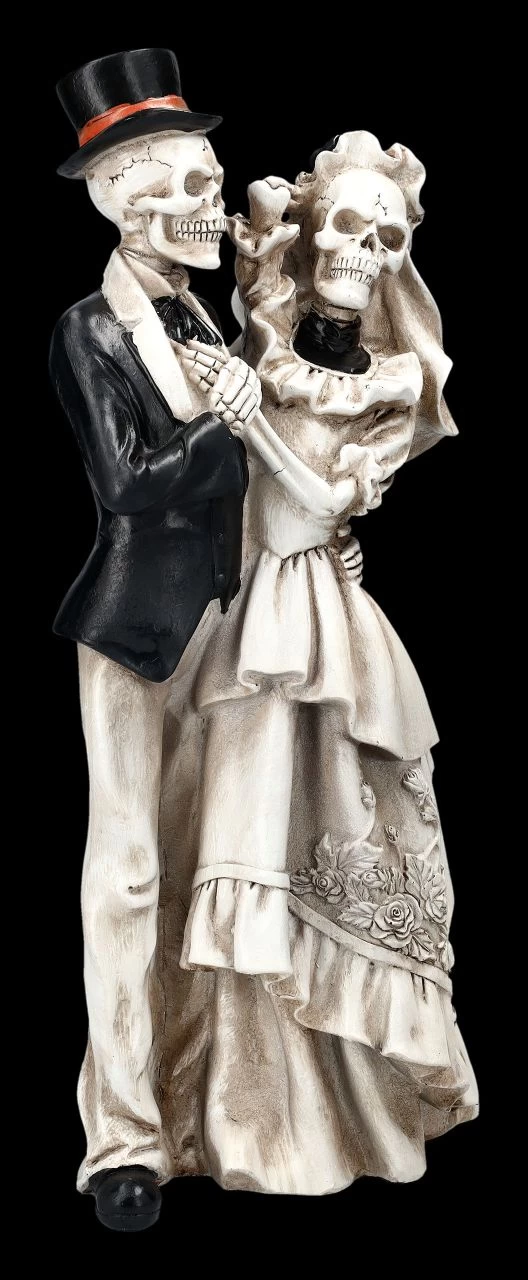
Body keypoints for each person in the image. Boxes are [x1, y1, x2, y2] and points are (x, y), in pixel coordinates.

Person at [151, 131, 478, 1195]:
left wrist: (255, 425)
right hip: (241, 618)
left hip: (316, 629)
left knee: (321, 843)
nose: (362, 251)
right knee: (233, 841)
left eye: (387, 238)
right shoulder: (255, 332)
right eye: (348, 224)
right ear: (311, 231)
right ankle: (236, 1113)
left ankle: (339, 1112)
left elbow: (321, 504)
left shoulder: (387, 384)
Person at [50, 47, 261, 1231]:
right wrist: (226, 424)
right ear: (120, 204)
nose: (207, 208)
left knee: (214, 864)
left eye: (211, 184)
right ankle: (123, 1135)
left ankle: (203, 1103)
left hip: (230, 619)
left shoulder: (211, 315)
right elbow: (129, 484)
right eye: (180, 189)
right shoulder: (92, 330)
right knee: (130, 877)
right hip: (138, 631)